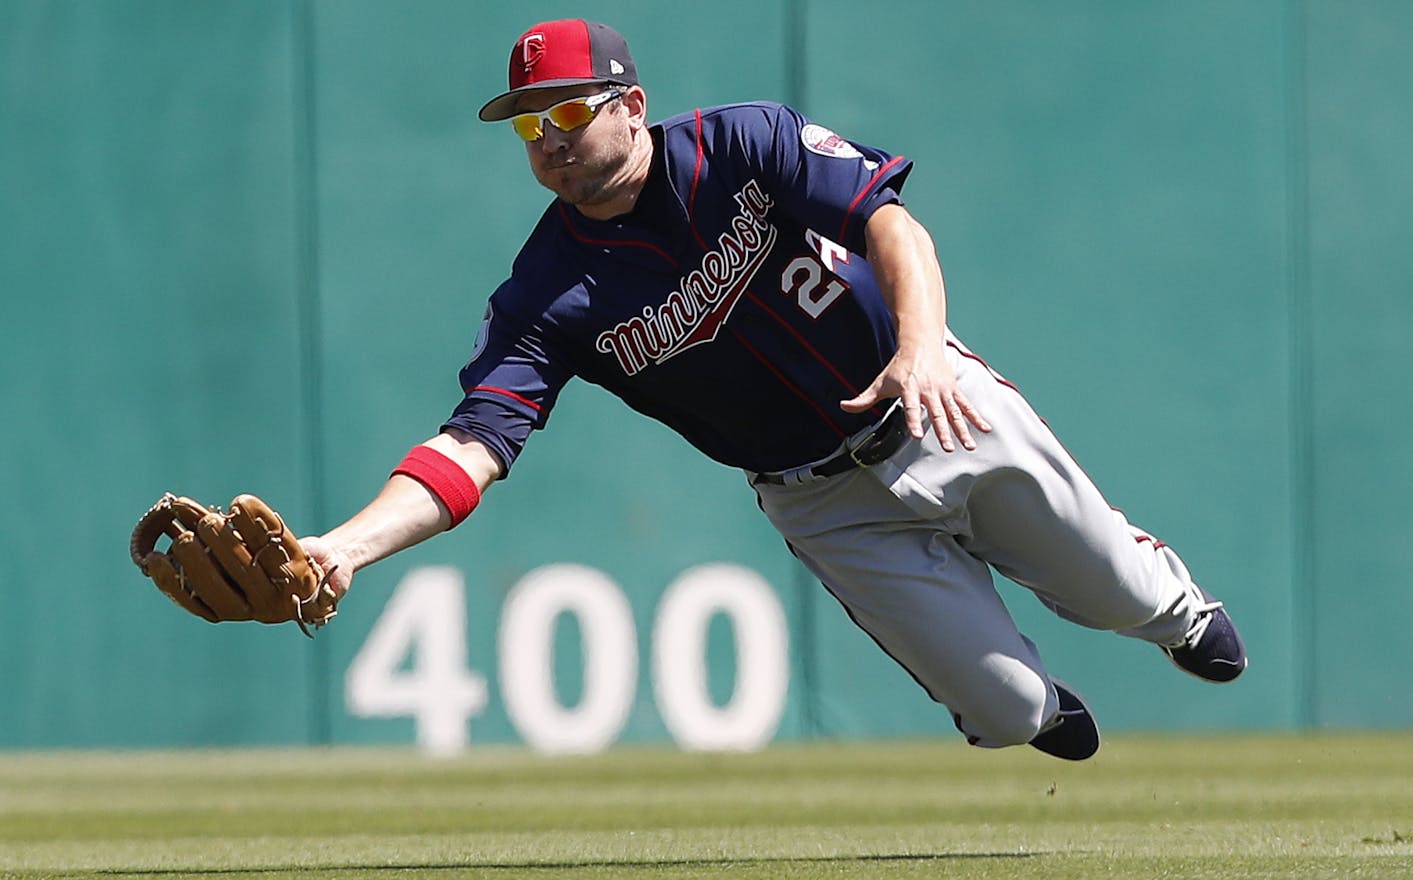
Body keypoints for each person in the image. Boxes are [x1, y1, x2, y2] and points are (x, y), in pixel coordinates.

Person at [300, 18, 1246, 761]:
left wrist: (919, 352)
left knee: (1122, 590)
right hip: (820, 495)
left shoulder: (741, 145)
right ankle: (1030, 708)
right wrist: (343, 549)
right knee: (1009, 711)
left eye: (566, 111)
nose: (546, 139)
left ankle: (1178, 612)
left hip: (934, 402)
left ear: (631, 104)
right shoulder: (546, 292)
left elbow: (893, 226)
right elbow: (474, 443)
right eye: (527, 123)